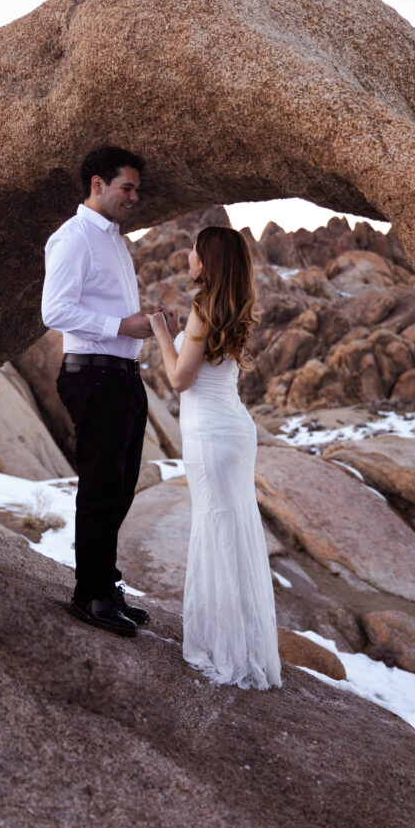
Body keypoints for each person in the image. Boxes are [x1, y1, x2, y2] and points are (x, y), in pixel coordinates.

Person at [150, 226, 282, 689]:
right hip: (236, 431)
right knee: (236, 532)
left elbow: (180, 379)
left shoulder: (202, 307)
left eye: (194, 249)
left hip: (209, 433)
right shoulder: (233, 305)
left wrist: (161, 333)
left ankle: (225, 648)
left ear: (207, 260)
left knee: (216, 530)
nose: (188, 255)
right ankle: (246, 645)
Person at [41, 145, 153, 637]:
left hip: (123, 375)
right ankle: (89, 595)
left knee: (122, 485)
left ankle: (105, 583)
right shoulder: (73, 238)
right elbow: (55, 311)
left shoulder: (115, 241)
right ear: (97, 185)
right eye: (127, 187)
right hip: (94, 374)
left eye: (136, 189)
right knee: (102, 486)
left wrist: (140, 325)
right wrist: (122, 323)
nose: (134, 197)